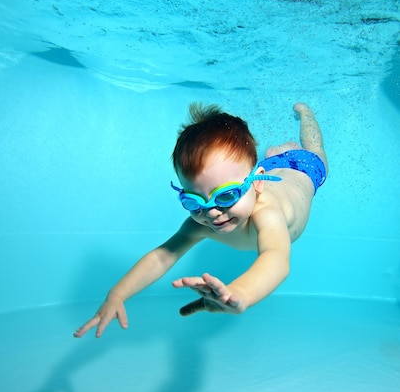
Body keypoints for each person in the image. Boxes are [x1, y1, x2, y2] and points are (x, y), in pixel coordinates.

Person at [74, 102, 328, 338]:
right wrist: (117, 293)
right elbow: (162, 257)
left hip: (305, 170)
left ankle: (305, 115)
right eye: (195, 203)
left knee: (315, 151)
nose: (212, 213)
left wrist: (240, 293)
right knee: (272, 157)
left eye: (226, 195)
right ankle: (274, 156)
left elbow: (275, 258)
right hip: (269, 168)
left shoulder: (268, 214)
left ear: (257, 183)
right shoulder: (203, 220)